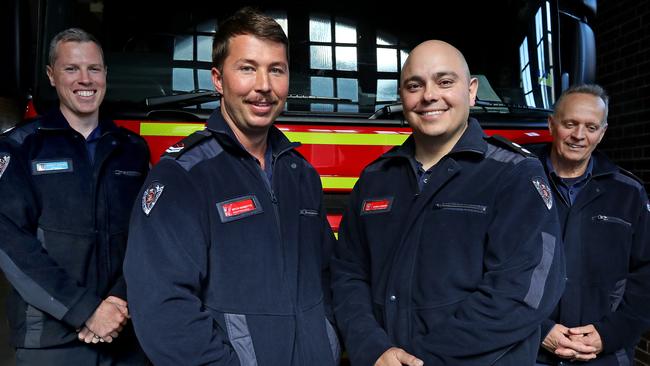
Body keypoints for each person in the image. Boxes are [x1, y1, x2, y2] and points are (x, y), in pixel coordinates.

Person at [123, 7, 340, 365]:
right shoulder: (183, 176)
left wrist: (327, 339)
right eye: (247, 68)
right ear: (218, 80)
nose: (264, 87)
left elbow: (327, 277)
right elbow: (162, 307)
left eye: (276, 70)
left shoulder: (300, 174)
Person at [331, 40, 566, 365]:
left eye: (444, 82)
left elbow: (521, 293)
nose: (429, 95)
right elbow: (348, 274)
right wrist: (373, 349)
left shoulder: (514, 175)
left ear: (470, 91)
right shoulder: (376, 178)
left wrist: (422, 360)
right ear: (402, 96)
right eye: (415, 85)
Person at [0, 28, 149, 365]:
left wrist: (117, 303)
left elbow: (149, 238)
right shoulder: (20, 149)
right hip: (52, 342)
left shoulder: (132, 151)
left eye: (94, 69)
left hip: (126, 335)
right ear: (52, 76)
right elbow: (12, 245)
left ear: (105, 75)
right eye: (71, 69)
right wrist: (85, 310)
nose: (85, 79)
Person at [533, 84, 650, 365]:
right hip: (526, 350)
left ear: (603, 132)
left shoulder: (629, 193)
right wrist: (538, 328)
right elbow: (484, 264)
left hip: (603, 355)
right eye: (570, 124)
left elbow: (646, 274)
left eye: (591, 127)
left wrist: (609, 334)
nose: (579, 136)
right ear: (551, 124)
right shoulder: (517, 180)